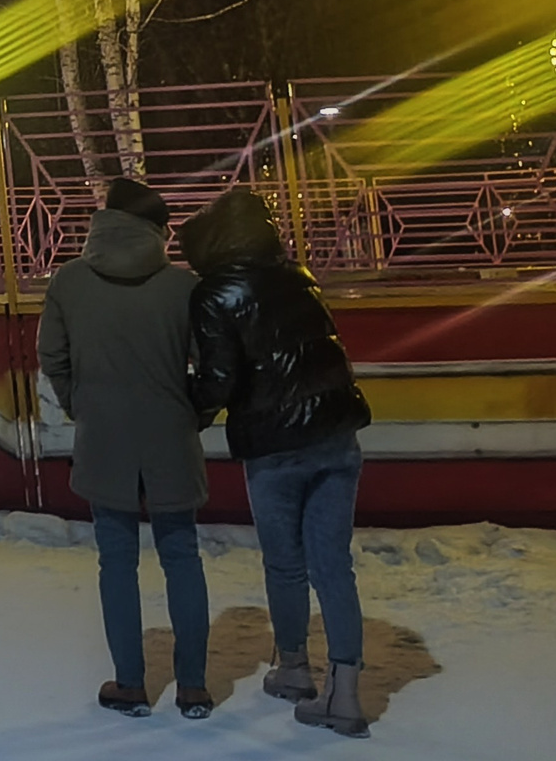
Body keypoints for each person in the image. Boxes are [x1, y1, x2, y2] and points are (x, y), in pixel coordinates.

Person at [183, 187, 374, 738]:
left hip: (273, 445)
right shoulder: (300, 277)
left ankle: (293, 669)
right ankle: (345, 695)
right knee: (333, 564)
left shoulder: (215, 293)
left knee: (285, 564)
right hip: (336, 436)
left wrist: (188, 412)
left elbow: (219, 379)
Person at [39, 178, 213, 720]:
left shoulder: (69, 281)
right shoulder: (183, 288)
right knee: (181, 556)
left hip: (103, 438)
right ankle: (193, 688)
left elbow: (52, 355)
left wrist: (81, 405)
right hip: (171, 436)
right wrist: (194, 414)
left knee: (116, 561)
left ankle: (131, 684)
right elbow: (210, 364)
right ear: (157, 231)